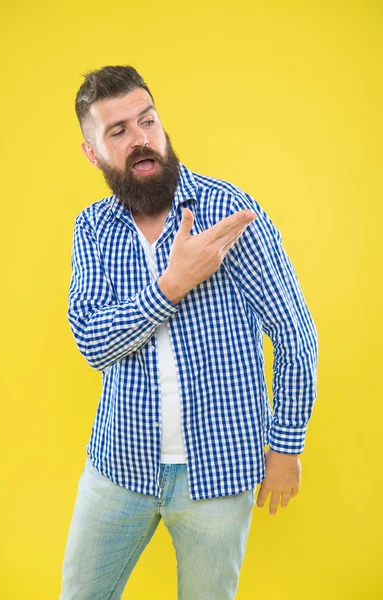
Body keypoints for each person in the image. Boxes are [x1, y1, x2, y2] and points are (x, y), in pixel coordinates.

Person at [60, 65, 318, 600]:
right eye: (118, 131)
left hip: (220, 473)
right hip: (119, 466)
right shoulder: (92, 228)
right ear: (93, 154)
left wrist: (286, 447)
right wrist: (172, 284)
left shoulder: (228, 213)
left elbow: (296, 335)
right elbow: (91, 340)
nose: (141, 139)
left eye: (147, 120)